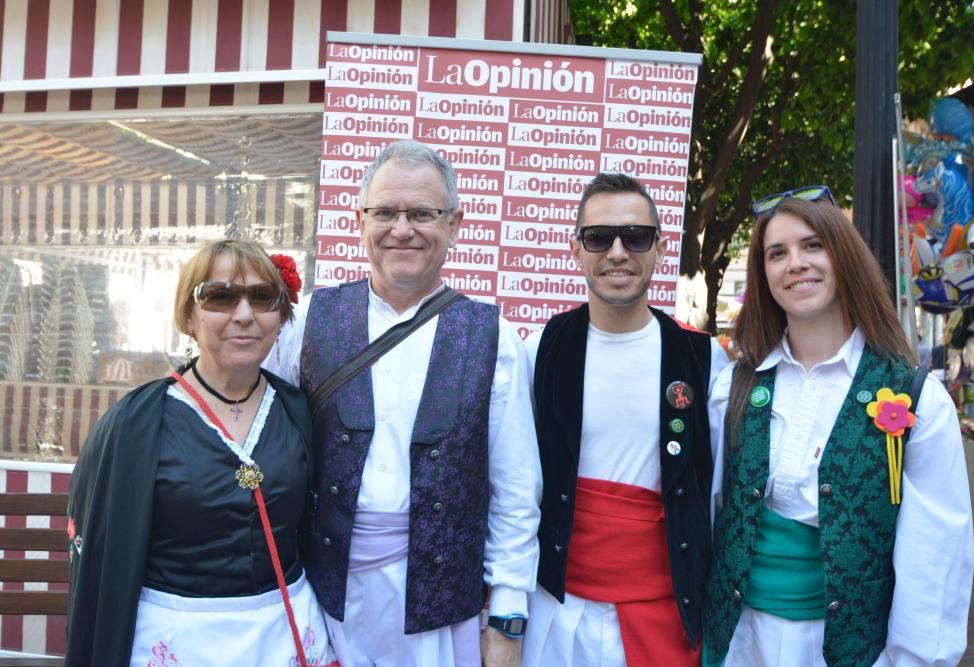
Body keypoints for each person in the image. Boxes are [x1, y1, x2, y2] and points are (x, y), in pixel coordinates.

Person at [267, 139, 542, 667]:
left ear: (454, 224)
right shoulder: (308, 323)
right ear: (360, 219)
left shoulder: (493, 336)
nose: (402, 228)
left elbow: (514, 490)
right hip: (323, 605)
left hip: (442, 616)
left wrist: (507, 621)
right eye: (386, 212)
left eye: (422, 213)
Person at [703, 190, 974, 666]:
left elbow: (936, 561)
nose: (795, 264)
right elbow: (709, 515)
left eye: (812, 245)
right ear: (763, 275)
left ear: (842, 255)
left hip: (847, 649)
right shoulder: (734, 387)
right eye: (777, 253)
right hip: (739, 641)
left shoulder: (916, 397)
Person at [66, 240, 336, 666]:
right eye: (220, 296)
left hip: (283, 635)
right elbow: (100, 551)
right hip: (175, 639)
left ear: (282, 316)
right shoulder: (135, 424)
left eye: (262, 297)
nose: (244, 314)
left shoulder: (299, 410)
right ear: (189, 315)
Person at [522, 173, 729, 667]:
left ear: (659, 248)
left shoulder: (705, 360)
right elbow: (517, 486)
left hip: (665, 615)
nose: (617, 252)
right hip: (556, 611)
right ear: (576, 249)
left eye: (635, 237)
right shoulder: (539, 351)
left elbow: (716, 492)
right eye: (599, 237)